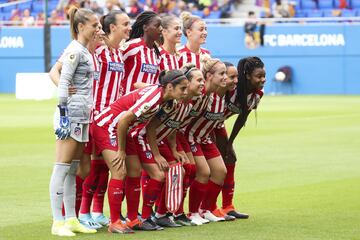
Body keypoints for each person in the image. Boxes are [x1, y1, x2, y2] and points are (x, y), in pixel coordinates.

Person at [93, 70, 189, 231]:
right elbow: (123, 119)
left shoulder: (168, 101)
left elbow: (148, 124)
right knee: (119, 171)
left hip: (125, 130)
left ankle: (132, 219)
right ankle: (114, 222)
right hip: (107, 126)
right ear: (170, 87)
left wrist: (156, 153)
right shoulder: (153, 98)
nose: (185, 92)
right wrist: (121, 150)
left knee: (135, 171)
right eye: (183, 88)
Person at [78, 10, 132, 230]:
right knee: (92, 169)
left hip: (112, 118)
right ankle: (82, 213)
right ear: (112, 28)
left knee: (101, 169)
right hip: (97, 118)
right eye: (126, 24)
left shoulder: (118, 53)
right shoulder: (98, 50)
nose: (130, 27)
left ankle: (97, 212)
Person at [49, 7, 100, 237]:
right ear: (81, 27)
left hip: (82, 115)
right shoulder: (74, 51)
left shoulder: (85, 51)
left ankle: (71, 218)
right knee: (61, 167)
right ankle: (57, 221)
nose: (98, 29)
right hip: (71, 114)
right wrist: (63, 114)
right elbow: (62, 81)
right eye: (94, 25)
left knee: (73, 170)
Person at [148, 63, 205, 227]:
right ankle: (157, 214)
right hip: (151, 141)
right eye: (198, 80)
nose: (202, 84)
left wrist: (174, 149)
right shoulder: (172, 103)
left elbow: (173, 128)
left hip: (163, 141)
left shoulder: (187, 105)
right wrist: (157, 153)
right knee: (174, 170)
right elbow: (151, 127)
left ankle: (171, 213)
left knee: (185, 168)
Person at [213, 57, 265, 219]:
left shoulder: (257, 95)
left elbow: (242, 118)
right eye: (259, 76)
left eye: (264, 76)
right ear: (248, 76)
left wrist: (230, 143)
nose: (263, 80)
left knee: (230, 158)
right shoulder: (231, 88)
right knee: (212, 165)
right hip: (206, 124)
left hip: (218, 125)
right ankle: (208, 207)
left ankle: (227, 206)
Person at [181, 57, 229, 223]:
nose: (226, 77)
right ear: (209, 76)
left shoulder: (214, 94)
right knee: (203, 172)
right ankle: (192, 213)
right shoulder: (197, 94)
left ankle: (205, 209)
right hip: (189, 137)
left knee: (221, 172)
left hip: (204, 138)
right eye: (221, 74)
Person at [122, 11, 162, 95]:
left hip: (146, 105)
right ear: (145, 28)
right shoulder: (132, 47)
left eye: (161, 26)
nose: (161, 29)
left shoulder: (156, 54)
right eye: (157, 26)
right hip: (127, 103)